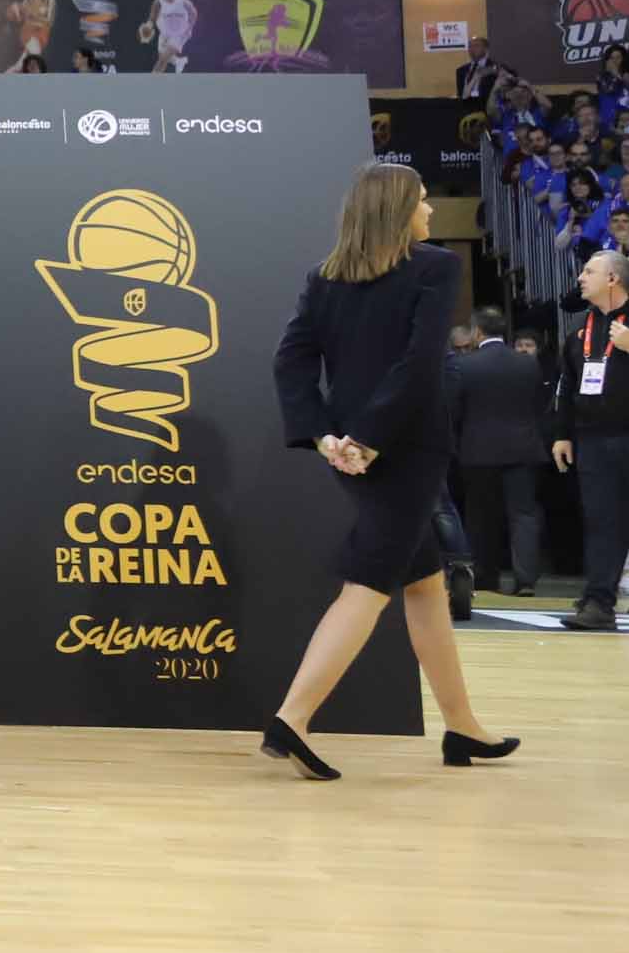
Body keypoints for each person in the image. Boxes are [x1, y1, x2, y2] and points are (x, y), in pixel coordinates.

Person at [266, 162, 514, 779]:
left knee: (424, 581)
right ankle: (292, 719)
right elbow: (420, 363)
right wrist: (365, 439)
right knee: (370, 582)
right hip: (400, 448)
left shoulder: (323, 279)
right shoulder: (435, 266)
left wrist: (329, 437)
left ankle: (461, 728)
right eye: (424, 201)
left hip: (352, 450)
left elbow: (291, 365)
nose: (431, 211)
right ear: (397, 210)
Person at [550, 248, 629, 633]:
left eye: (589, 271)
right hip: (595, 441)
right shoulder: (579, 329)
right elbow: (567, 386)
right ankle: (598, 603)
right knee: (602, 523)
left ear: (613, 278)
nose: (580, 277)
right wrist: (562, 433)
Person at [450, 303, 550, 598]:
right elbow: (538, 404)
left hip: (477, 451)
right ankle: (526, 580)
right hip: (523, 448)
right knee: (524, 514)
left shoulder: (464, 364)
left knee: (481, 516)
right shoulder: (527, 363)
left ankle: (484, 576)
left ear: (476, 332)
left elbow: (454, 410)